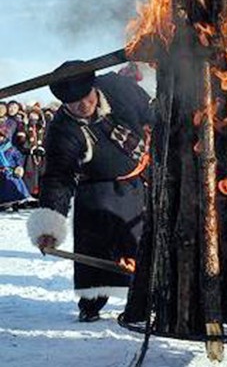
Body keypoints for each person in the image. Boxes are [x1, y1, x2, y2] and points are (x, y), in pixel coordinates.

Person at [26, 62, 152, 322]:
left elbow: (154, 114)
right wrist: (48, 227)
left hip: (140, 179)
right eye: (73, 103)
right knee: (95, 246)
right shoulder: (62, 130)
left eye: (86, 97)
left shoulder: (119, 88)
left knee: (140, 245)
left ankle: (143, 301)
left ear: (94, 87)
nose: (82, 106)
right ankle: (91, 304)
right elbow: (58, 179)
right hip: (95, 189)